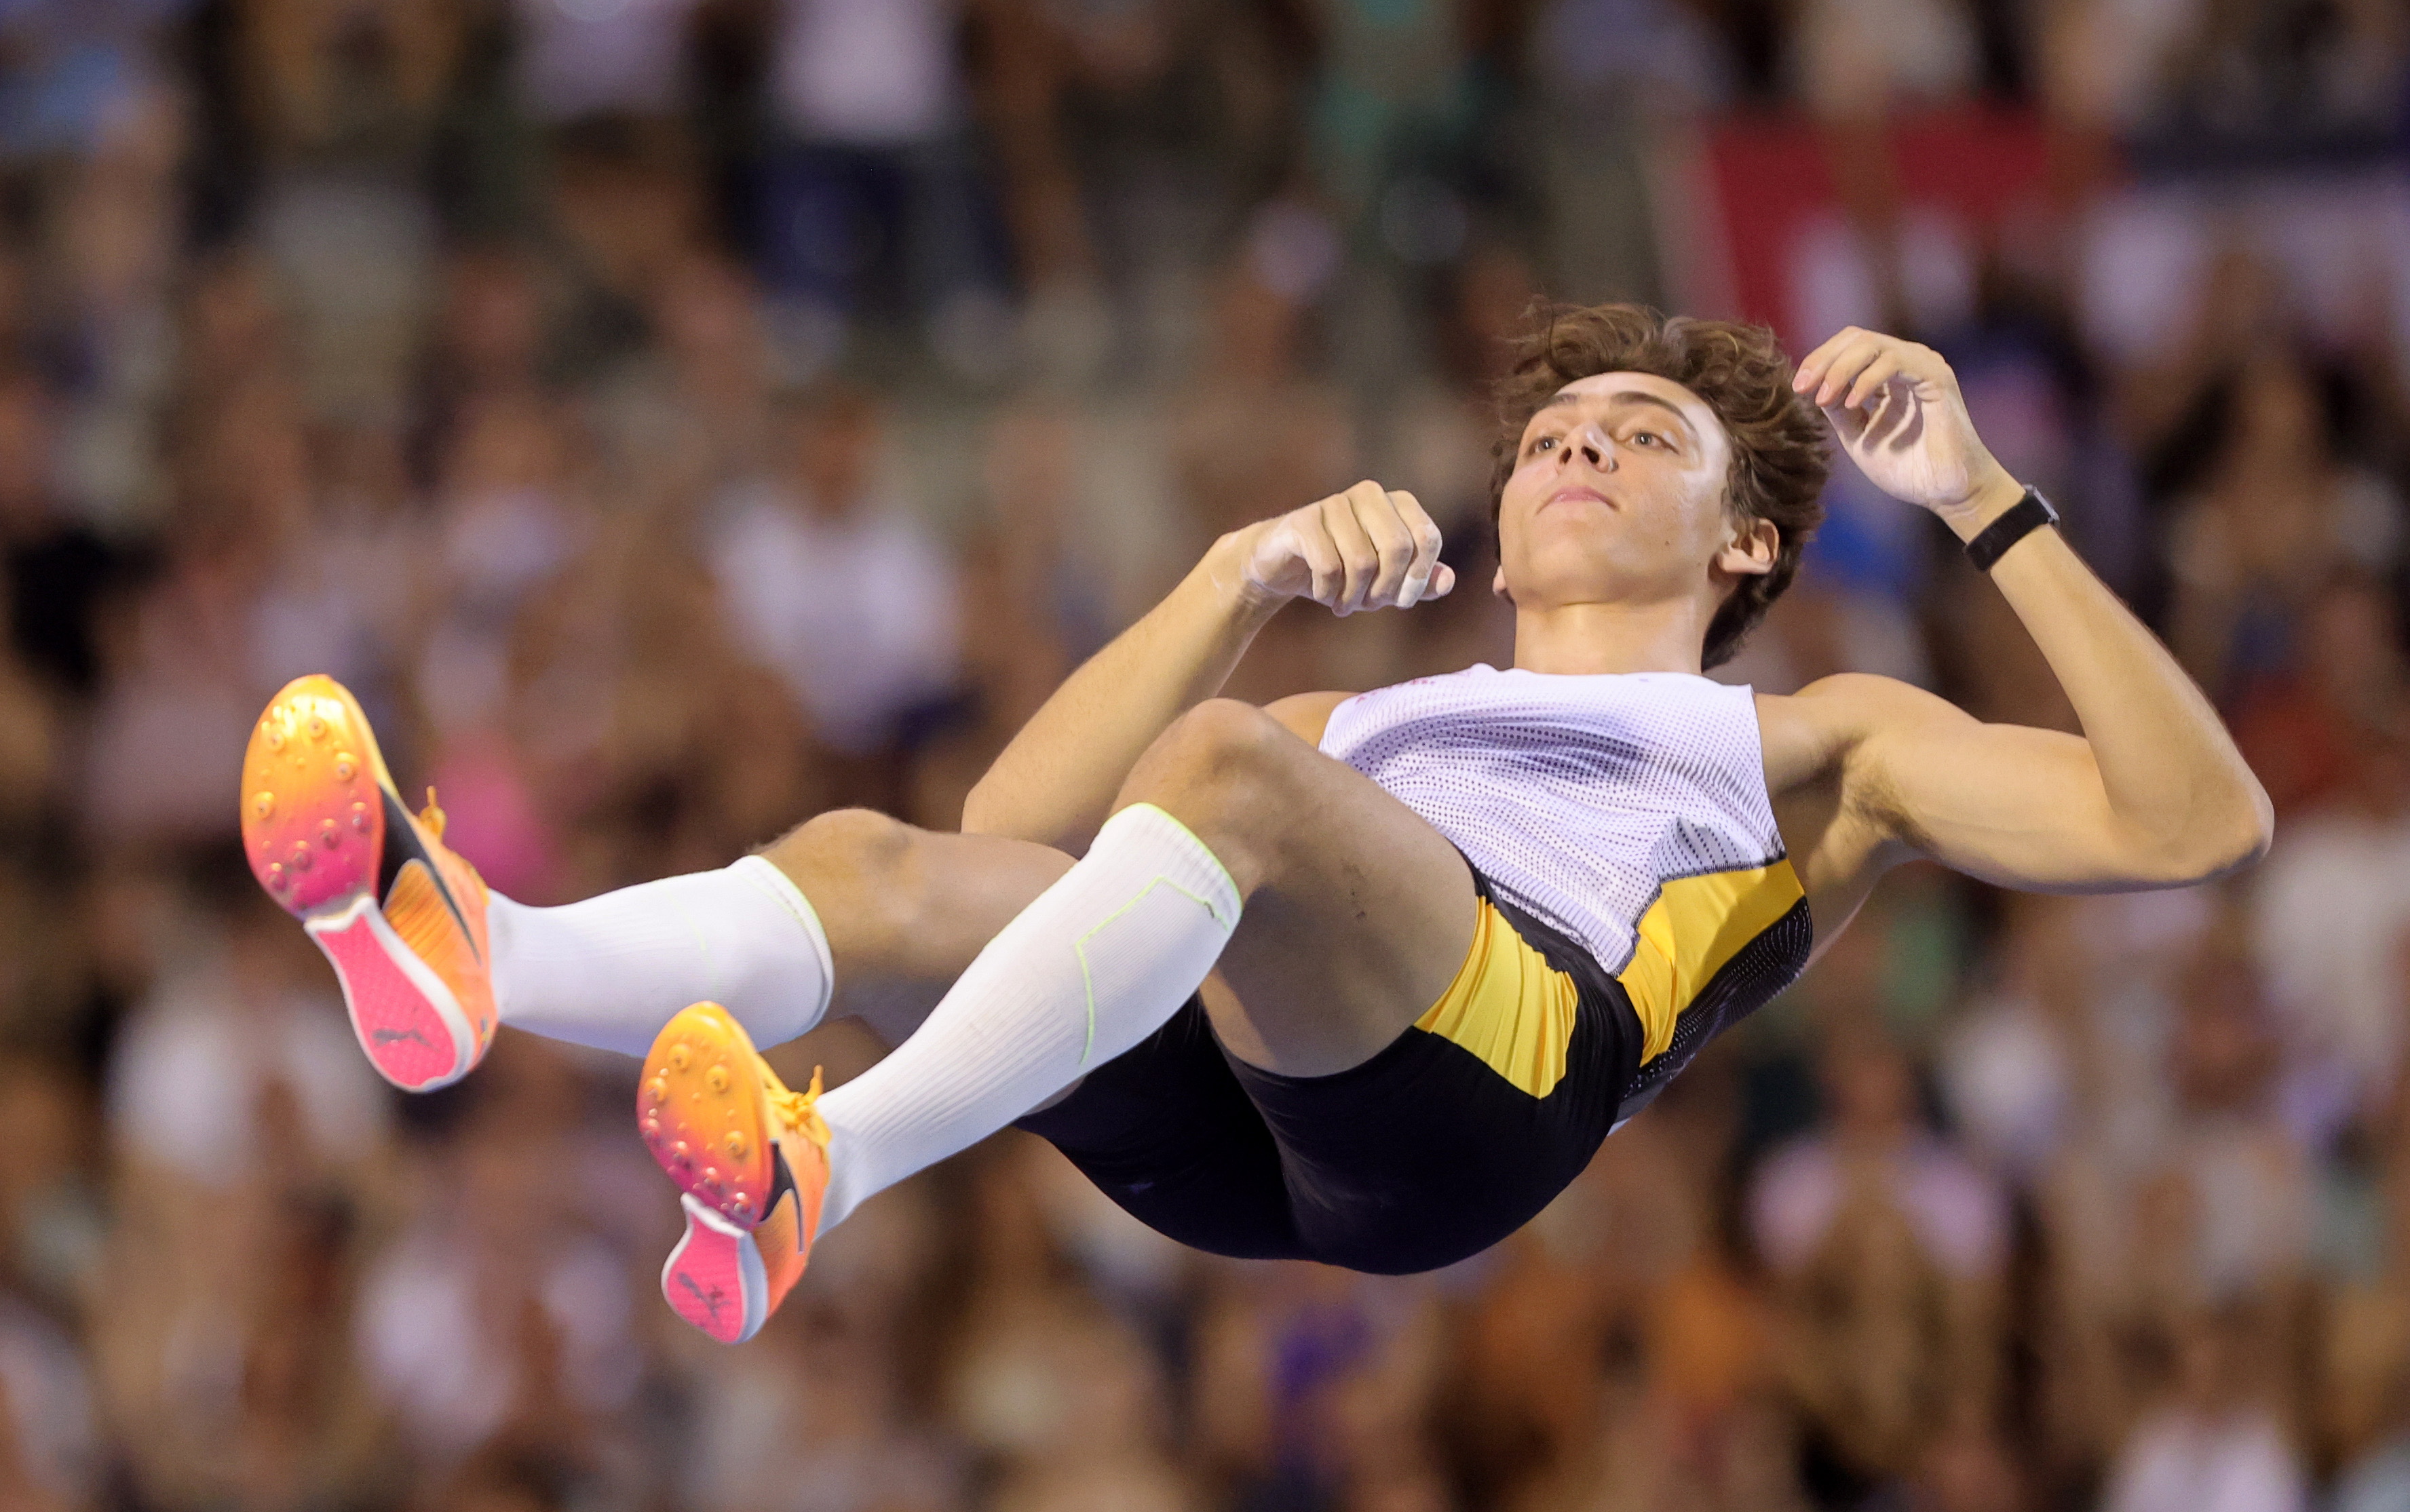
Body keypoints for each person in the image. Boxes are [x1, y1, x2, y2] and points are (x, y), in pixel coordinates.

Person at [237, 307, 2271, 1345]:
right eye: (1553, 434)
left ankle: (825, 1166)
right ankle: (488, 952)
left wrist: (1985, 496)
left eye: (1641, 436)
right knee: (871, 861)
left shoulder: (1817, 741)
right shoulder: (1351, 723)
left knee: (1227, 782)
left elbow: (2199, 825)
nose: (1576, 447)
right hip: (1252, 1104)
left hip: (1498, 1086)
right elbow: (1013, 833)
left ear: (1744, 537)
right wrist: (1236, 577)